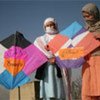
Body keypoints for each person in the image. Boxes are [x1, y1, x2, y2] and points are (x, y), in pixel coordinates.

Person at [34, 17, 65, 100]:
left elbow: (67, 52)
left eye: (52, 24)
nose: (50, 27)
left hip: (60, 67)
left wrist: (57, 58)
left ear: (55, 25)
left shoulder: (62, 38)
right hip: (46, 68)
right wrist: (48, 59)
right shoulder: (40, 40)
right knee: (48, 91)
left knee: (59, 90)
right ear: (44, 27)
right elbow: (37, 53)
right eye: (48, 25)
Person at [81, 3, 100, 100]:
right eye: (84, 16)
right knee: (88, 89)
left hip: (99, 61)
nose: (87, 18)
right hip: (87, 63)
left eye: (89, 15)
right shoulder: (83, 31)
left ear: (95, 13)